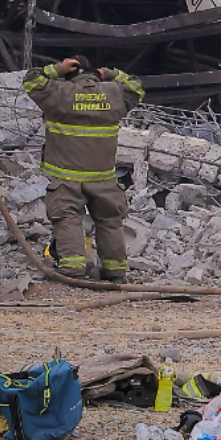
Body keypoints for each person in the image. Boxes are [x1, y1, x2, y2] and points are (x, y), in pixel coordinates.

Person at [22, 56, 145, 282]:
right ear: (95, 73)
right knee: (109, 221)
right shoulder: (114, 94)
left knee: (67, 218)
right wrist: (110, 73)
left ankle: (73, 269)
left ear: (70, 74)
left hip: (66, 177)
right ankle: (115, 271)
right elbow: (137, 86)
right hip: (104, 177)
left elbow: (31, 80)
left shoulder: (58, 93)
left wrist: (58, 68)